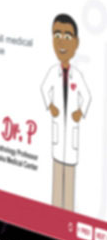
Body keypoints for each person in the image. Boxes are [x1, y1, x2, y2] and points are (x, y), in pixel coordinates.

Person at [40, 13, 91, 211]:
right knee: (56, 178)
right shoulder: (53, 72)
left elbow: (86, 96)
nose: (62, 42)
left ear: (76, 42)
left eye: (67, 37)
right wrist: (50, 106)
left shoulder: (77, 74)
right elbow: (45, 89)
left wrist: (81, 111)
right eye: (57, 36)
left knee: (69, 180)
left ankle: (67, 215)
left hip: (70, 138)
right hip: (57, 137)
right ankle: (55, 214)